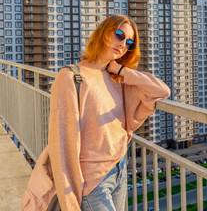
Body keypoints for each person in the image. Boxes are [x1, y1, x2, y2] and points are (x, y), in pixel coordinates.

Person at [22, 15, 171, 211]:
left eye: (130, 43)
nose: (123, 45)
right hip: (92, 181)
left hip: (119, 169)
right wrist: (70, 203)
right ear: (103, 33)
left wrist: (121, 69)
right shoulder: (71, 77)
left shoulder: (117, 78)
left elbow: (162, 91)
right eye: (119, 35)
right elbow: (62, 145)